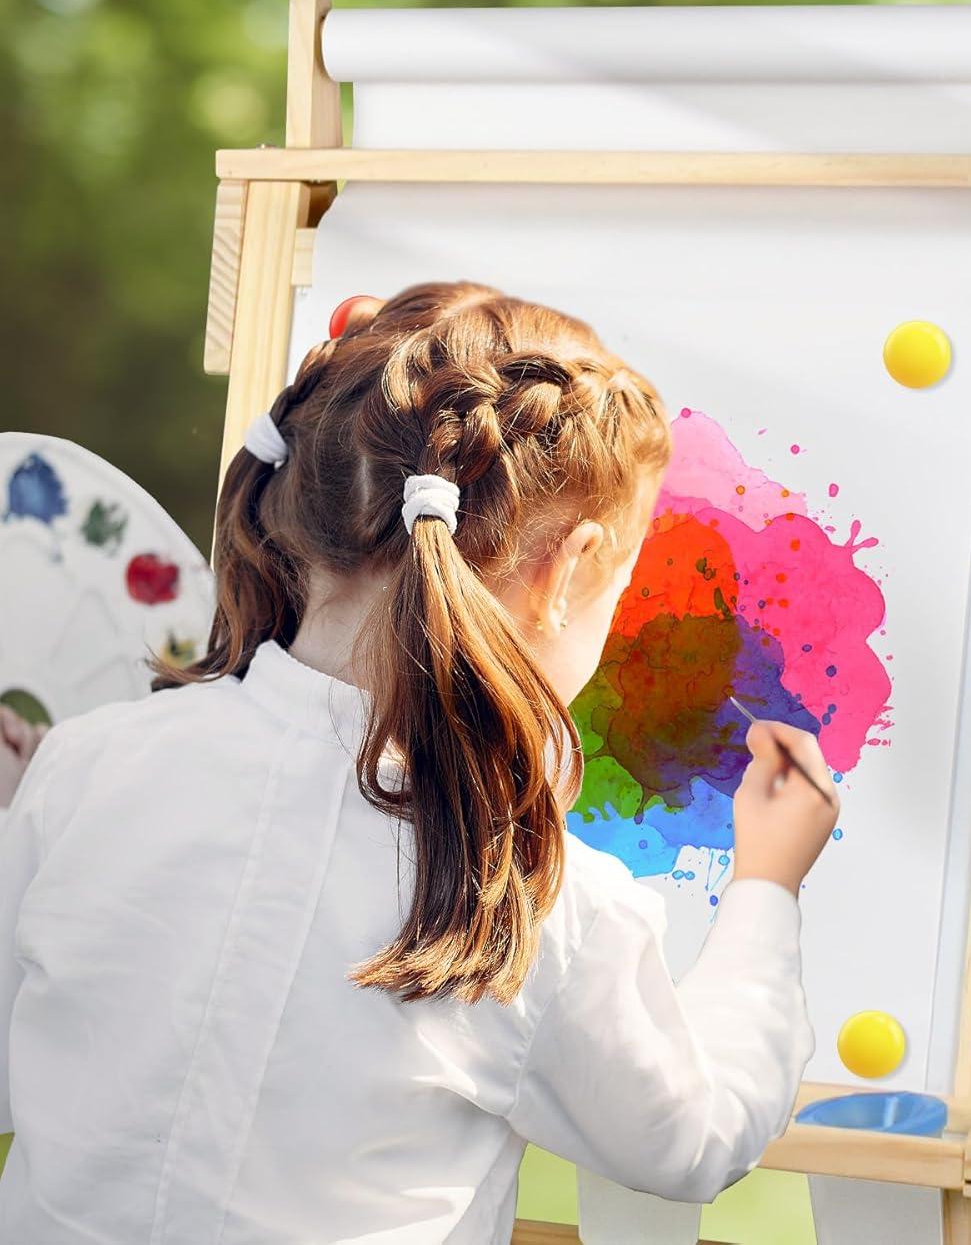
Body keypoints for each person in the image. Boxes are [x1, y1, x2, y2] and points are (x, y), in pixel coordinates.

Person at [0, 281, 839, 1243]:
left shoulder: (83, 769)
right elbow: (693, 1138)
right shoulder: (522, 893)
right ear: (569, 570)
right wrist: (766, 890)